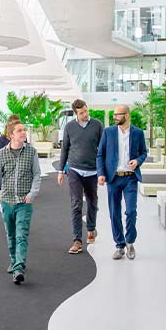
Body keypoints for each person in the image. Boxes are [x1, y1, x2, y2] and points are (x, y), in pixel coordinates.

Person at [0, 120, 41, 284]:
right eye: (20, 131)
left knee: (21, 235)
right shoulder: (2, 154)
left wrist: (32, 195)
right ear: (11, 135)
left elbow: (37, 175)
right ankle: (13, 260)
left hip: (24, 202)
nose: (24, 132)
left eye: (24, 130)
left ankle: (19, 268)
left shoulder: (31, 152)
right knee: (10, 234)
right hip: (7, 201)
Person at [96, 105, 148, 260]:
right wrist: (101, 174)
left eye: (118, 115)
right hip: (113, 178)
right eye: (114, 115)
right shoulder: (108, 132)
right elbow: (100, 155)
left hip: (130, 178)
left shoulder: (138, 133)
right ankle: (119, 245)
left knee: (131, 211)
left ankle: (130, 242)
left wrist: (137, 161)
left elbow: (144, 152)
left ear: (127, 115)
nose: (115, 117)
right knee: (114, 213)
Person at [57, 99, 104, 254]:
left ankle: (91, 228)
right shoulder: (69, 126)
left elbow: (103, 148)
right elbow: (65, 148)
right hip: (75, 170)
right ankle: (77, 240)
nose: (85, 114)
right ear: (76, 113)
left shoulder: (97, 125)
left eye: (86, 110)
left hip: (92, 171)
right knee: (76, 203)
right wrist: (60, 171)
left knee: (92, 202)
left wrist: (103, 171)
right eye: (81, 112)